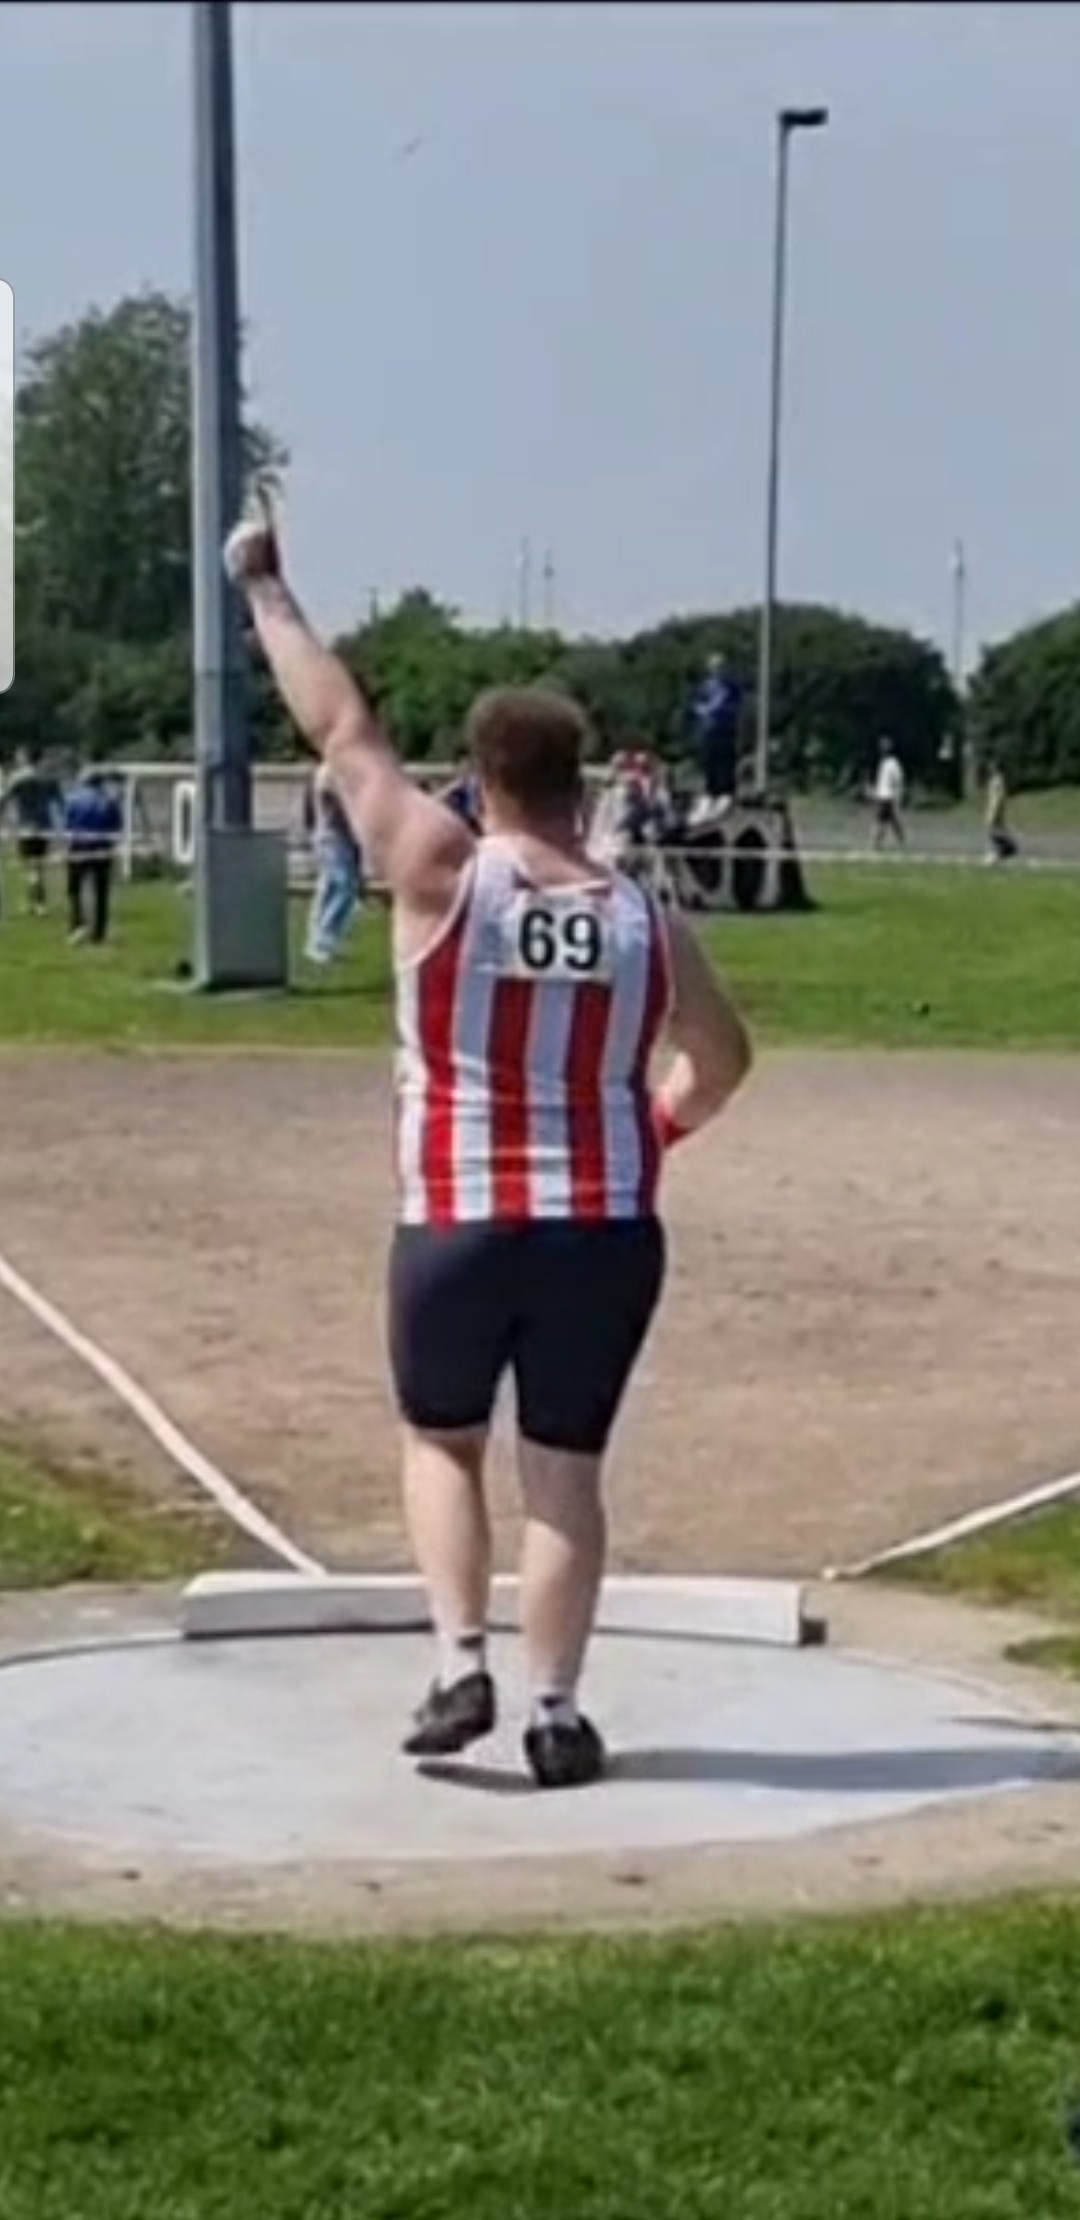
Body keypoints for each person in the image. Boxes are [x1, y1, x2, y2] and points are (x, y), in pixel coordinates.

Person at [224, 499, 752, 1790]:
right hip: (605, 1230)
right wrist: (656, 1127)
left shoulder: (437, 866)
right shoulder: (645, 918)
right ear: (586, 784)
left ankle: (460, 1661)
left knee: (443, 1442)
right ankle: (558, 1710)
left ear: (482, 778)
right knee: (565, 1473)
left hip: (458, 1218)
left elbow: (340, 729)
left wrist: (267, 592)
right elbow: (724, 1060)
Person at [303, 759, 364, 963]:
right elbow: (336, 807)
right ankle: (324, 937)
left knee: (329, 887)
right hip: (332, 836)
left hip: (333, 836)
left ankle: (318, 939)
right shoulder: (329, 772)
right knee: (345, 887)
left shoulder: (333, 771)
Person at [0, 747, 64, 916]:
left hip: (26, 825)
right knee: (38, 866)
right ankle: (35, 902)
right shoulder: (48, 778)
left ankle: (39, 903)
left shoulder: (18, 778)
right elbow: (60, 801)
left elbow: (4, 799)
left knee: (31, 867)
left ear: (25, 758)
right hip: (44, 825)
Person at [63, 766, 123, 945]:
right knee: (101, 891)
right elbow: (117, 825)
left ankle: (77, 924)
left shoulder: (73, 798)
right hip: (102, 847)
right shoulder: (108, 801)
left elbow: (67, 824)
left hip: (78, 846)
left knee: (75, 889)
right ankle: (99, 933)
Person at [871, 738, 906, 850]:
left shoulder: (892, 763)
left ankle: (878, 842)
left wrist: (897, 794)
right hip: (882, 795)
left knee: (883, 820)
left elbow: (897, 779)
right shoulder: (884, 763)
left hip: (888, 796)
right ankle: (900, 839)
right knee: (890, 819)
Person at [984, 762, 1017, 864]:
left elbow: (999, 795)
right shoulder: (995, 780)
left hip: (995, 807)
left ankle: (1004, 850)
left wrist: (995, 809)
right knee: (997, 829)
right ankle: (1003, 850)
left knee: (993, 830)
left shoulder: (997, 780)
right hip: (994, 806)